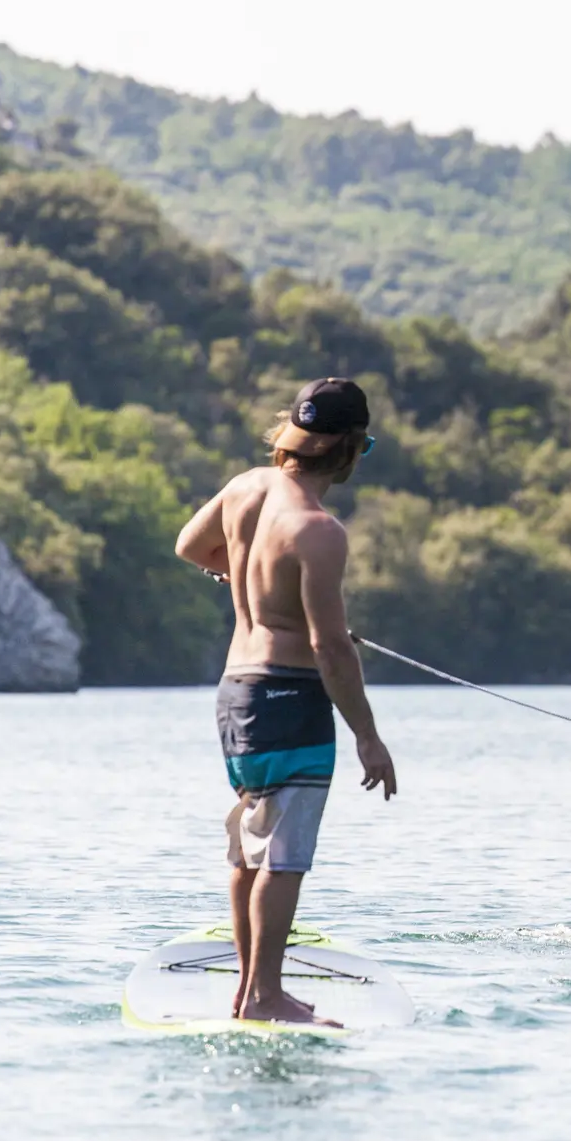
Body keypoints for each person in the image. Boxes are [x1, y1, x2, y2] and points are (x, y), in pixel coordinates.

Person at [174, 377, 398, 1026]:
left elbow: (192, 546)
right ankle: (265, 997)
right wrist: (368, 735)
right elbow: (331, 648)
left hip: (237, 694)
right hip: (290, 696)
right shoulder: (318, 529)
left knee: (251, 846)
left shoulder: (247, 488)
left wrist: (249, 581)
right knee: (285, 855)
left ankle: (251, 993)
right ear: (350, 448)